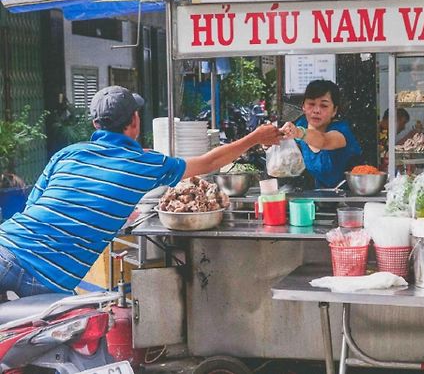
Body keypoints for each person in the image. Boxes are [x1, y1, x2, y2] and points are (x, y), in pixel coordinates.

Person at [0, 86, 282, 297]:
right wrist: (256, 137)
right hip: (47, 274)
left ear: (95, 124)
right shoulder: (145, 164)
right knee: (71, 350)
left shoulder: (68, 154)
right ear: (134, 121)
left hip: (6, 243)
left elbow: (33, 206)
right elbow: (208, 162)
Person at [281, 80, 362, 188]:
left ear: (334, 110)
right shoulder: (300, 124)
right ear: (303, 106)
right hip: (312, 198)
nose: (316, 110)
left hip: (345, 198)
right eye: (311, 104)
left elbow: (324, 141)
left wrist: (299, 133)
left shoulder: (342, 130)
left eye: (324, 105)